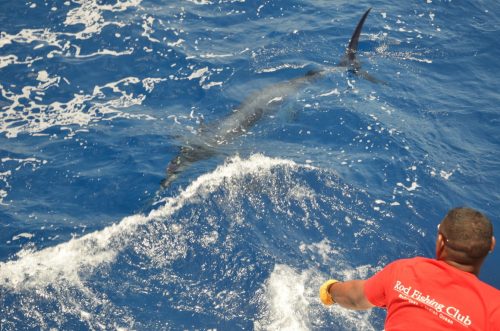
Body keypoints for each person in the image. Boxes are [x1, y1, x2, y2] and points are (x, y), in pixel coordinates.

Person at [319, 207, 500, 330]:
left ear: (440, 241)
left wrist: (329, 290)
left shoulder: (405, 271)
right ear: (491, 245)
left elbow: (354, 298)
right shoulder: (495, 308)